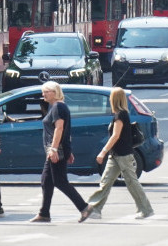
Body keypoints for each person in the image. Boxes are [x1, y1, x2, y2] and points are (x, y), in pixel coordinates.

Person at [83, 87, 154, 221]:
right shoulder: (121, 114)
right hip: (115, 155)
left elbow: (115, 136)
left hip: (123, 155)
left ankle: (146, 209)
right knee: (106, 181)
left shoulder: (120, 115)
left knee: (132, 182)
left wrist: (102, 152)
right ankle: (94, 209)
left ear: (113, 99)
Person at [30, 81, 93, 223]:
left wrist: (54, 149)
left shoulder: (58, 107)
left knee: (60, 181)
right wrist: (68, 150)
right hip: (56, 149)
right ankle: (44, 213)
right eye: (43, 91)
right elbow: (66, 131)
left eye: (46, 91)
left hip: (56, 150)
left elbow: (60, 129)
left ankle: (84, 207)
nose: (43, 94)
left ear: (54, 92)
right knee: (46, 180)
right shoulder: (57, 106)